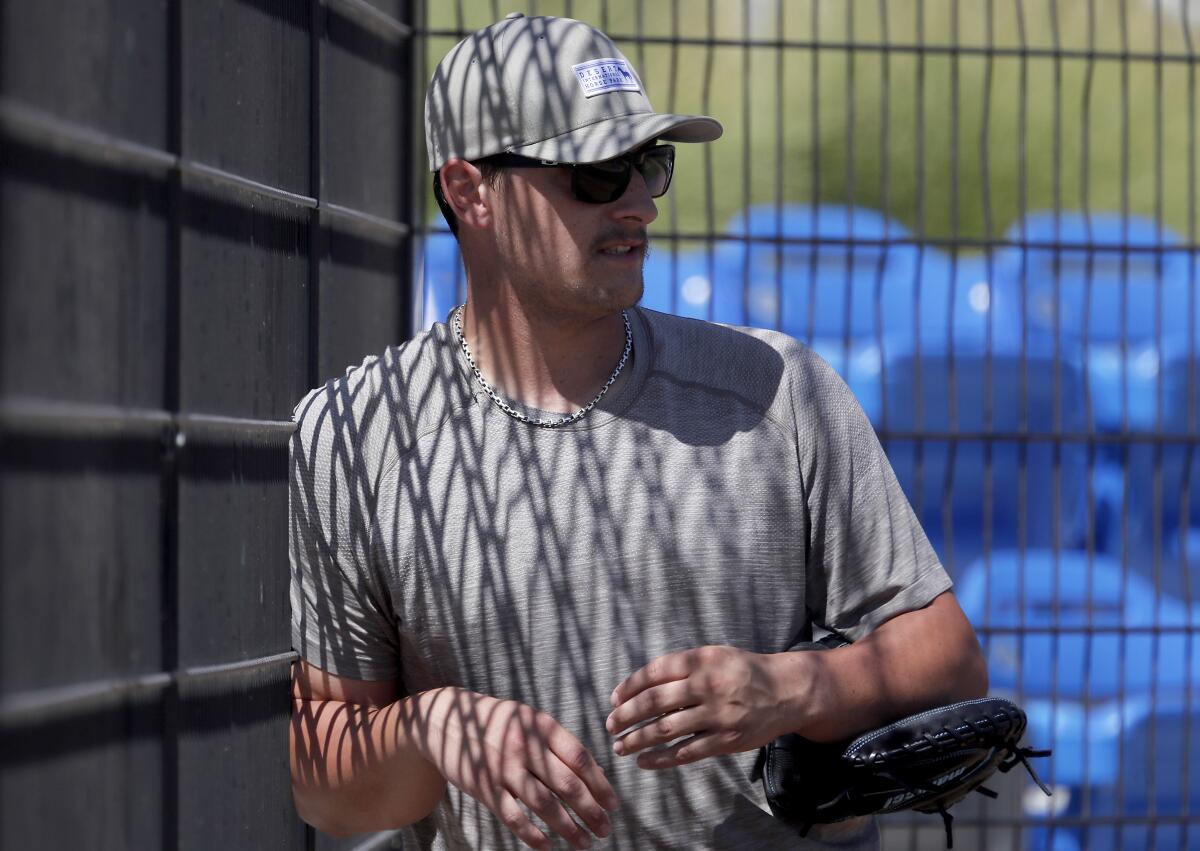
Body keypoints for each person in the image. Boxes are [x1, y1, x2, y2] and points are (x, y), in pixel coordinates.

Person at [288, 13, 987, 850]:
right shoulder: (359, 432)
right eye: (596, 174)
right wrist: (435, 727)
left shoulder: (777, 391)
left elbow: (950, 659)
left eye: (650, 165)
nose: (639, 204)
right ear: (471, 190)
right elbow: (326, 789)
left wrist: (790, 687)